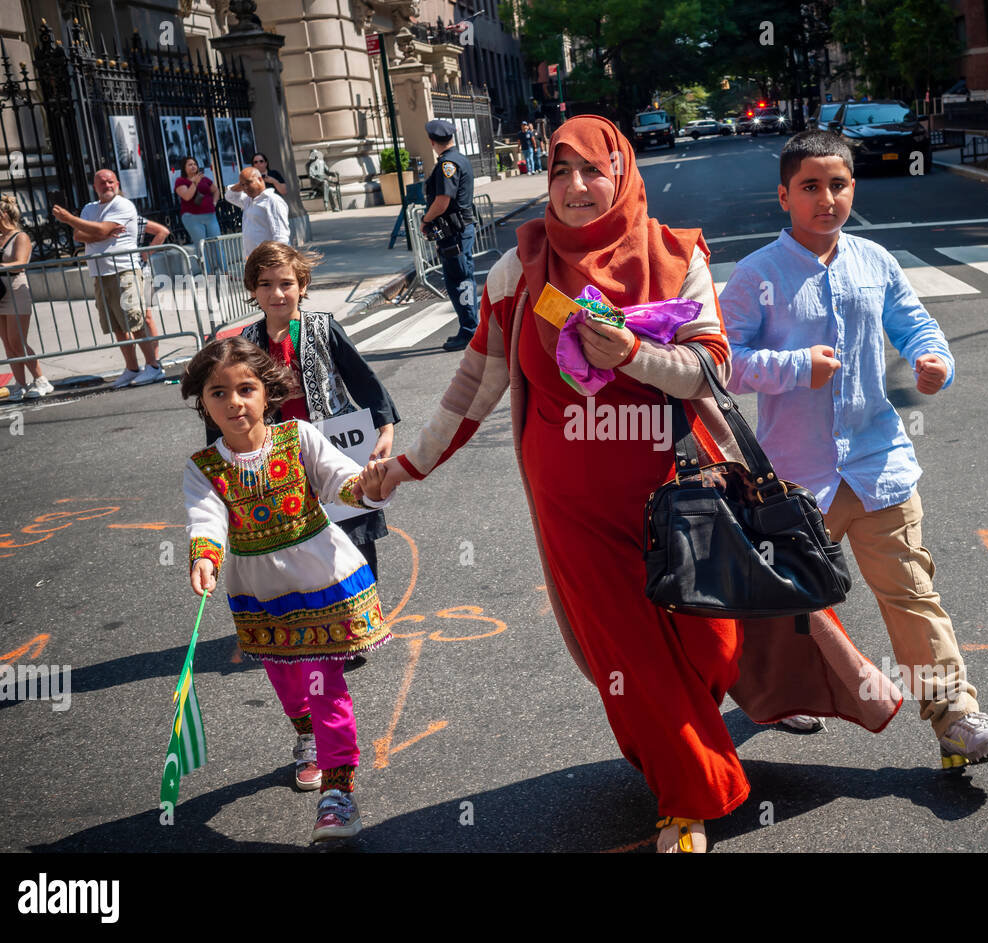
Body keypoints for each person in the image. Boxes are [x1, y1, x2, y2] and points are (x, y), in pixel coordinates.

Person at [373, 115, 899, 853]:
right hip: (574, 513)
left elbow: (708, 366)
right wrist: (405, 464)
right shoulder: (517, 270)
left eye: (593, 171)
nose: (578, 187)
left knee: (709, 641)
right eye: (561, 172)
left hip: (680, 492)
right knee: (632, 661)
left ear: (621, 175)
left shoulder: (676, 254)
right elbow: (473, 386)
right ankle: (685, 798)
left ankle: (684, 739)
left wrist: (632, 353)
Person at [720, 130, 988, 774]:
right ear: (783, 196)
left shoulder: (874, 261)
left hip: (880, 467)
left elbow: (915, 321)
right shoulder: (756, 276)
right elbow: (724, 364)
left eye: (839, 185)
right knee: (782, 604)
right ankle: (776, 694)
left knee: (912, 594)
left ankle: (956, 719)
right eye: (810, 187)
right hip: (794, 483)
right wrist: (796, 365)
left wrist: (934, 358)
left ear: (853, 188)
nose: (826, 198)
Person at [181, 336, 393, 841]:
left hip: (324, 582)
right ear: (203, 402)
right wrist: (204, 557)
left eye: (245, 389)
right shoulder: (203, 467)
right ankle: (308, 740)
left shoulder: (298, 437)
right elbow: (205, 518)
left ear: (267, 392)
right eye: (218, 393)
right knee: (287, 683)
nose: (234, 402)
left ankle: (338, 796)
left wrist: (365, 483)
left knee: (326, 688)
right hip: (259, 596)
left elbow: (339, 478)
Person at [206, 241, 399, 664]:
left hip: (337, 443)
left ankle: (357, 621)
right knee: (303, 536)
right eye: (266, 285)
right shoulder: (245, 343)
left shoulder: (322, 327)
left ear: (303, 284)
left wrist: (384, 426)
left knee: (353, 532)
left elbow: (361, 378)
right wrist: (221, 454)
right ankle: (310, 624)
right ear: (252, 290)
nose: (277, 294)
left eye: (286, 284)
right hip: (280, 455)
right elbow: (224, 400)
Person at [52, 169, 166, 387]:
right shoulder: (89, 208)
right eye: (102, 183)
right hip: (100, 272)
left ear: (117, 183)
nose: (107, 186)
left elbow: (101, 228)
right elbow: (79, 235)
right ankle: (132, 368)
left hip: (124, 270)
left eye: (110, 182)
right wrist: (99, 232)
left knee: (135, 321)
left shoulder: (123, 205)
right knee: (116, 325)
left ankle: (153, 366)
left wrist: (73, 220)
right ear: (95, 187)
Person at [0, 197, 52, 399]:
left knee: (18, 341)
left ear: (3, 215)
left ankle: (42, 380)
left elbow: (20, 263)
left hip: (15, 290)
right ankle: (20, 384)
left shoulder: (20, 236)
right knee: (7, 342)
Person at [419, 119, 478, 351]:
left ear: (432, 141)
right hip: (458, 230)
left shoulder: (448, 164)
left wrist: (426, 220)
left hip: (455, 232)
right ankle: (470, 328)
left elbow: (442, 201)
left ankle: (469, 331)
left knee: (459, 280)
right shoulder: (460, 159)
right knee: (463, 277)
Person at [224, 166, 290, 259]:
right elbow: (229, 196)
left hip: (269, 259)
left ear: (259, 179)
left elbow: (280, 235)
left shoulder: (272, 201)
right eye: (243, 185)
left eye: (249, 183)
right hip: (252, 259)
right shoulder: (248, 200)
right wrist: (241, 183)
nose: (246, 187)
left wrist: (277, 260)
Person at [174, 156, 221, 251]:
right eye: (190, 164)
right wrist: (194, 183)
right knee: (202, 247)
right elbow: (187, 196)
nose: (193, 166)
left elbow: (216, 191)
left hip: (210, 216)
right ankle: (206, 266)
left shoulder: (204, 179)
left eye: (195, 164)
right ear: (184, 168)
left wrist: (214, 202)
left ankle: (221, 266)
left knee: (217, 244)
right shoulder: (180, 181)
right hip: (193, 218)